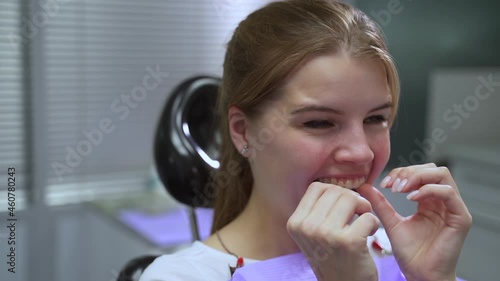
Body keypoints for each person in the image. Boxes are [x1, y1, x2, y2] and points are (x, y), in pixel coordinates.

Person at [140, 0, 472, 280]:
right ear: (242, 131)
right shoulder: (179, 276)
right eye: (319, 122)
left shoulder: (400, 252)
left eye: (376, 118)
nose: (361, 152)